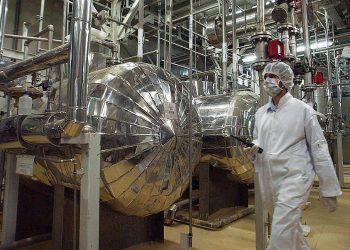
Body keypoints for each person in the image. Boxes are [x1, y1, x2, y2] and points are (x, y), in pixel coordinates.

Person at [244, 61, 342, 250]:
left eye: (273, 76)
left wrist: (328, 187)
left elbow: (319, 148)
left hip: (294, 176)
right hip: (268, 177)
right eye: (266, 77)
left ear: (285, 81)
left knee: (281, 231)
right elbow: (259, 139)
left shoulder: (302, 110)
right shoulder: (260, 113)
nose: (268, 81)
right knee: (289, 228)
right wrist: (254, 148)